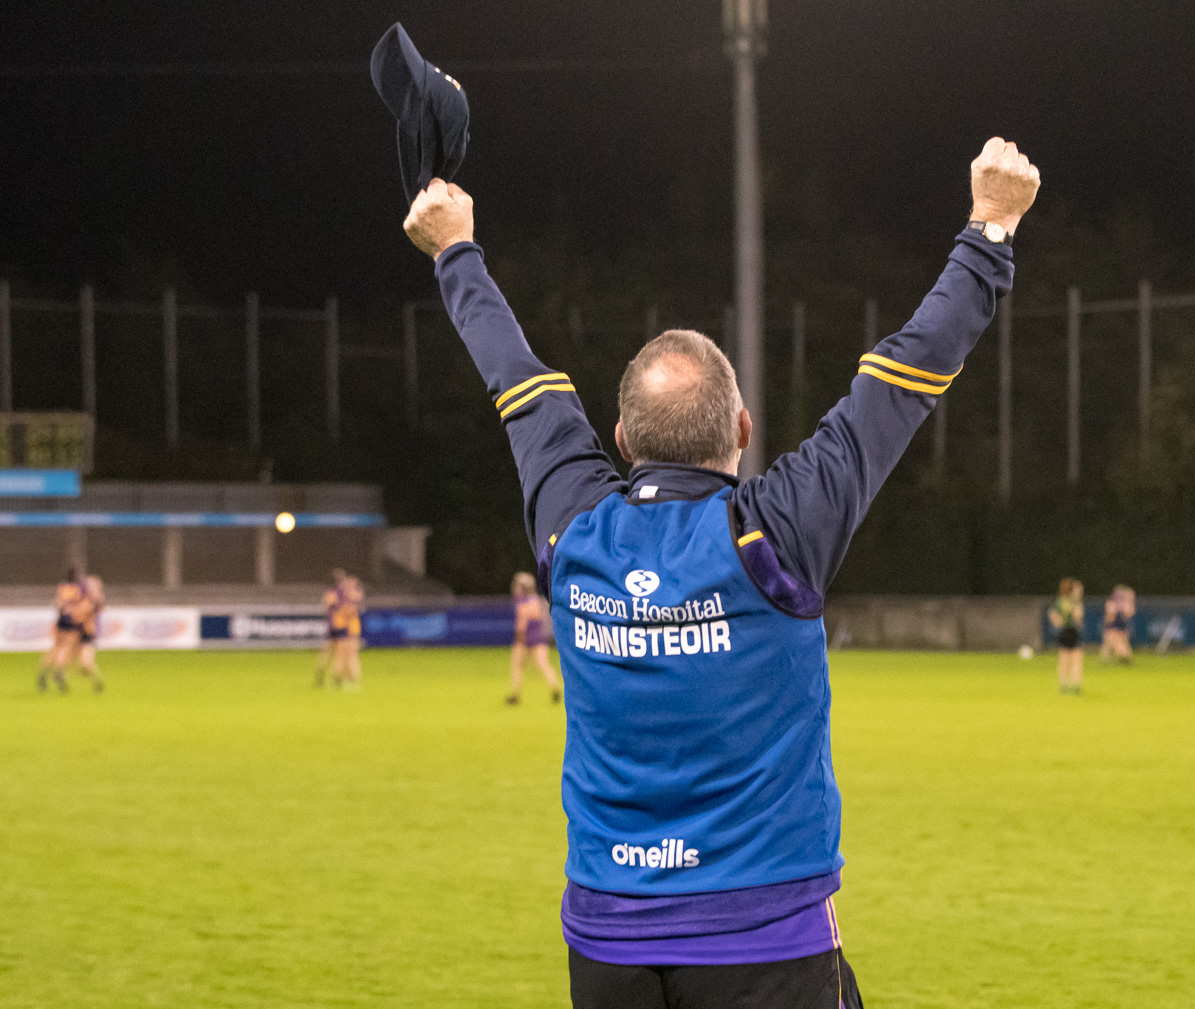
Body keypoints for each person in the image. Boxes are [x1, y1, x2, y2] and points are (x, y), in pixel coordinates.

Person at [402, 136, 1039, 1007]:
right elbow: (901, 378)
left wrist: (455, 249)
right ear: (741, 431)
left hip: (606, 945)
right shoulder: (774, 533)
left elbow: (520, 384)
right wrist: (990, 226)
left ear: (622, 445)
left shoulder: (575, 529)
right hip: (763, 945)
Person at [507, 571, 562, 705]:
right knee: (544, 665)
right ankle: (555, 689)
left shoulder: (523, 604)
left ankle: (515, 695)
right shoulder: (538, 601)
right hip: (540, 639)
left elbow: (521, 626)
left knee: (517, 666)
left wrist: (518, 640)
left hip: (525, 640)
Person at [37, 569, 89, 693]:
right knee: (67, 649)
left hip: (61, 620)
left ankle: (43, 671)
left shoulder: (62, 587)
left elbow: (58, 604)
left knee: (56, 647)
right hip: (72, 621)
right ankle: (59, 670)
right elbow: (78, 606)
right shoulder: (78, 589)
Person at [1048, 578, 1085, 693]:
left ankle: (1063, 685)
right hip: (1073, 631)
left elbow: (1052, 613)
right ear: (1072, 590)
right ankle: (1075, 685)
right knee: (1076, 660)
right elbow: (1078, 617)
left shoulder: (1060, 601)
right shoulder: (1075, 602)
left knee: (1063, 660)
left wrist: (1058, 622)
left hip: (1062, 631)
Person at [315, 568, 346, 687]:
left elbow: (325, 607)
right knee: (340, 653)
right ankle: (337, 679)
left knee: (327, 651)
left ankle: (320, 671)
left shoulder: (329, 593)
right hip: (341, 625)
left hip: (331, 625)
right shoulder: (342, 592)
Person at [1100, 583, 1135, 665]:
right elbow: (1110, 616)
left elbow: (1129, 613)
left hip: (1116, 626)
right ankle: (1110, 660)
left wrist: (1130, 599)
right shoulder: (1114, 603)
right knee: (1110, 644)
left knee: (1117, 643)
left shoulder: (1117, 604)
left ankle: (1124, 657)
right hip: (1115, 626)